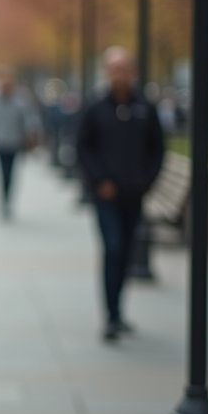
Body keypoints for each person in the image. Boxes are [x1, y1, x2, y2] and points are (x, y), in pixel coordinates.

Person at [76, 47, 164, 341]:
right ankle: (111, 316)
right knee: (112, 248)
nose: (120, 75)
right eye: (114, 69)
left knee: (126, 252)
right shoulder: (95, 108)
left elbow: (157, 149)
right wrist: (99, 180)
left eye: (125, 69)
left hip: (134, 195)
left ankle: (119, 311)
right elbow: (83, 147)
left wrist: (146, 180)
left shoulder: (145, 108)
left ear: (133, 73)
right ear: (107, 73)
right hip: (106, 196)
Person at [0, 68, 41, 218]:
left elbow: (30, 120)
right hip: (0, 142)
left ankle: (8, 200)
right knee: (3, 173)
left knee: (12, 173)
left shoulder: (20, 102)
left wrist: (31, 134)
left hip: (15, 143)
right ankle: (3, 200)